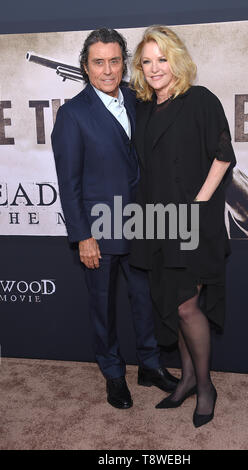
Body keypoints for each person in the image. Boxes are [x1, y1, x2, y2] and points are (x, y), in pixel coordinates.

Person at [51, 28, 178, 410]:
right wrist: (83, 236)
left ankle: (150, 365)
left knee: (146, 301)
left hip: (142, 224)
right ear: (85, 67)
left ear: (124, 63)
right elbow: (68, 183)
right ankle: (112, 373)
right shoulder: (73, 115)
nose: (107, 70)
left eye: (114, 61)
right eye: (98, 62)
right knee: (103, 308)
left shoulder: (139, 100)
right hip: (99, 231)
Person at [129, 25, 236, 427]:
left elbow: (223, 155)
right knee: (172, 302)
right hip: (156, 219)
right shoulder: (143, 106)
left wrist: (198, 205)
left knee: (189, 305)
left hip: (192, 218)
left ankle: (205, 385)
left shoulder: (200, 100)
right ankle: (187, 378)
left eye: (162, 59)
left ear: (177, 60)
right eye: (147, 61)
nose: (155, 68)